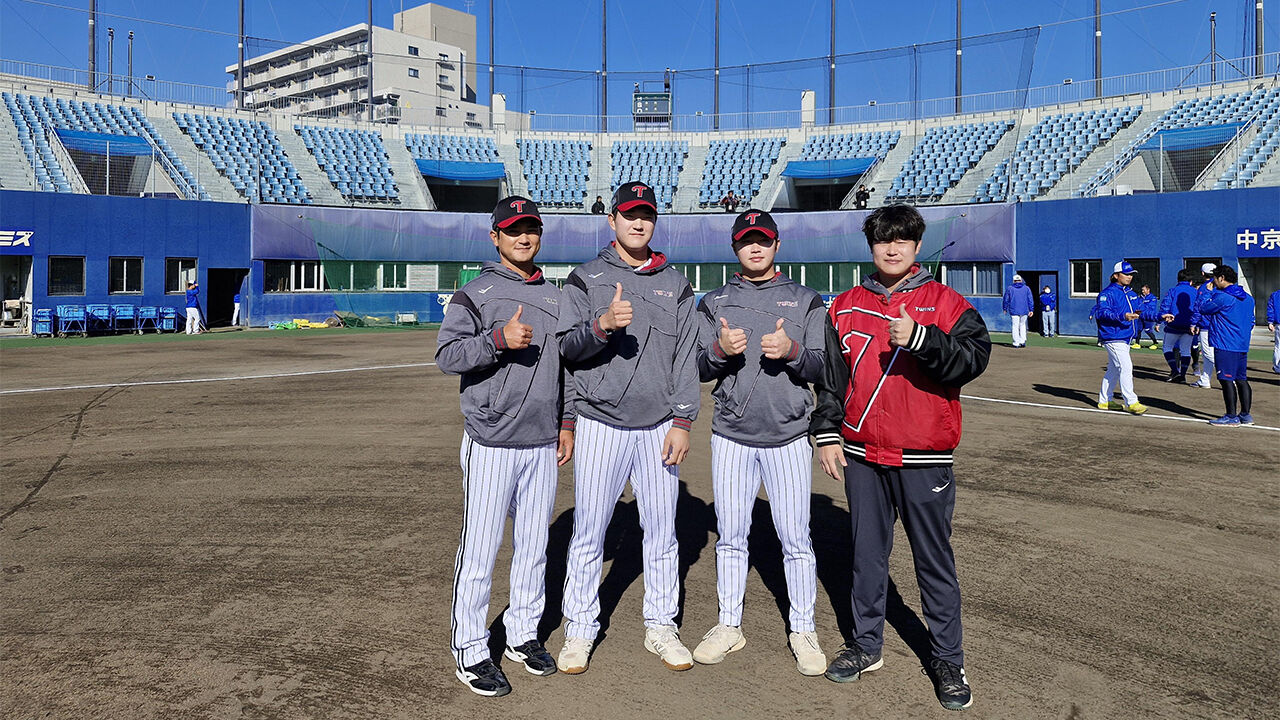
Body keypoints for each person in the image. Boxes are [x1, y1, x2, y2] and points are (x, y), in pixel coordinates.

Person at [811, 204, 991, 711]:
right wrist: (826, 433)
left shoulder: (948, 303)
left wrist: (921, 339)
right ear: (871, 246)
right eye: (882, 241)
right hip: (861, 454)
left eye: (902, 241)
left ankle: (948, 658)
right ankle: (866, 646)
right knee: (866, 556)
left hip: (924, 457)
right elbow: (832, 381)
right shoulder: (843, 305)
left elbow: (971, 361)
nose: (891, 249)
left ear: (916, 246)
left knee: (933, 561)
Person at [555, 181, 700, 675]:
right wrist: (602, 325)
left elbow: (685, 358)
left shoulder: (676, 284)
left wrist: (683, 419)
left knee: (661, 532)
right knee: (590, 531)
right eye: (629, 214)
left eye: (647, 215)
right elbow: (566, 352)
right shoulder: (585, 278)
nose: (639, 223)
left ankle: (661, 626)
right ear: (611, 219)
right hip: (600, 425)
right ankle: (579, 628)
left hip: (659, 425)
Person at [435, 196, 576, 697]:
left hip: (541, 442)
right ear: (494, 236)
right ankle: (471, 649)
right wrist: (497, 339)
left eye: (532, 228)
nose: (524, 237)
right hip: (491, 440)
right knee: (481, 549)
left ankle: (521, 636)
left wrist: (566, 422)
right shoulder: (474, 294)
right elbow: (448, 356)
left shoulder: (559, 298)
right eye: (514, 229)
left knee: (534, 548)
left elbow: (565, 372)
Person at [691, 210, 828, 676]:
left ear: (776, 245)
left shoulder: (805, 299)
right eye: (747, 241)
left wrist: (791, 353)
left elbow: (823, 368)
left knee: (796, 539)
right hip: (732, 435)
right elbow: (696, 368)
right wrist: (719, 351)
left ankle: (803, 628)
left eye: (764, 240)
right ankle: (729, 624)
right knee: (731, 537)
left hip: (788, 436)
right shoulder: (715, 302)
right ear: (735, 247)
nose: (756, 247)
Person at [1093, 261, 1158, 415]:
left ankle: (1105, 401)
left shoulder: (1131, 293)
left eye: (1131, 274)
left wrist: (1161, 316)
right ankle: (1131, 402)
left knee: (1114, 369)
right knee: (1126, 367)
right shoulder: (1106, 294)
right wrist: (1123, 316)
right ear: (1116, 276)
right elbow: (1102, 313)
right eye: (1126, 274)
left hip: (1125, 336)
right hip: (1113, 336)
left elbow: (1142, 312)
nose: (1129, 277)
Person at [1196, 265, 1255, 426]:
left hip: (1226, 344)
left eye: (1215, 279)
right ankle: (1245, 415)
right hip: (1241, 344)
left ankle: (1231, 416)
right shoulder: (1248, 298)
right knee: (1241, 379)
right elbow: (1251, 322)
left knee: (1226, 379)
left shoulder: (1223, 298)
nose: (1213, 282)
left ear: (1221, 278)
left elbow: (1203, 308)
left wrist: (1207, 292)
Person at [1158, 268, 1198, 383]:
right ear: (1191, 281)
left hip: (1173, 324)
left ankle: (1175, 371)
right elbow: (1198, 308)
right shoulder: (1195, 292)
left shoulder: (1173, 290)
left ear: (1178, 279)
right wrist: (1196, 323)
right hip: (1189, 325)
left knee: (1167, 348)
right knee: (1185, 350)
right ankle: (1183, 376)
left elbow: (1165, 305)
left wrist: (1159, 320)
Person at [1189, 263, 1218, 388]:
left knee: (1209, 353)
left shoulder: (1204, 288)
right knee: (1213, 353)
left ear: (1202, 273)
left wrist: (1193, 323)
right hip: (1220, 324)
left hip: (1207, 324)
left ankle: (1228, 376)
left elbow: (1198, 307)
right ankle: (1205, 379)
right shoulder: (1222, 286)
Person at [1002, 274, 1034, 347]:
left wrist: (1005, 308)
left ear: (1013, 281)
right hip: (1024, 310)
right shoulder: (1026, 288)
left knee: (1015, 326)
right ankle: (1022, 341)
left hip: (1014, 310)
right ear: (1021, 280)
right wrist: (1031, 309)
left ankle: (1016, 342)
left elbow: (1006, 299)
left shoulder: (1010, 288)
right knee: (1023, 325)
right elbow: (1030, 299)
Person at [1133, 284, 1160, 348]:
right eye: (1142, 290)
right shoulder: (1140, 298)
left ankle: (1155, 343)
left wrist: (1141, 309)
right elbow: (1137, 306)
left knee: (1147, 330)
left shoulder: (1152, 298)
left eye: (1143, 290)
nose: (1142, 291)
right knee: (1138, 329)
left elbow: (1150, 307)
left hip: (1148, 317)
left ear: (1148, 290)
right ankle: (1137, 343)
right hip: (1140, 316)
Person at [1268, 288, 1280, 374]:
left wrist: (1270, 322)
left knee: (1278, 346)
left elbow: (1270, 308)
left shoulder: (1275, 295)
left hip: (1279, 324)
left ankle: (1277, 367)